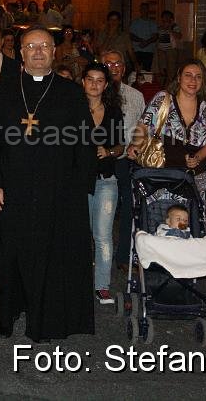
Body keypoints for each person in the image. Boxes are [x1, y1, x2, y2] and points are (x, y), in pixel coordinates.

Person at [0, 25, 96, 342]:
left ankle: (42, 318)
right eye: (31, 46)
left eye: (44, 46)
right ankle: (8, 310)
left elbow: (84, 143)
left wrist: (80, 188)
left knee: (47, 257)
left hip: (55, 191)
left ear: (54, 51)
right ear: (20, 52)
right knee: (7, 257)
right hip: (11, 189)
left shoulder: (70, 92)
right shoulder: (2, 90)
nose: (38, 51)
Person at [128, 60, 206, 199]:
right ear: (178, 77)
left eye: (198, 76)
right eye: (188, 75)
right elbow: (143, 126)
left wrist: (197, 158)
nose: (193, 80)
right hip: (161, 173)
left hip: (195, 176)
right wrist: (136, 145)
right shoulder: (163, 98)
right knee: (158, 216)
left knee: (192, 217)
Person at [100, 50, 146, 274]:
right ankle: (99, 254)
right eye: (108, 63)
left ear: (124, 68)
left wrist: (135, 145)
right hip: (101, 158)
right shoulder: (94, 91)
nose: (114, 67)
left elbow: (141, 127)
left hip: (127, 158)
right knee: (100, 209)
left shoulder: (136, 96)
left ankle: (124, 255)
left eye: (118, 63)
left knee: (129, 207)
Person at [82, 62, 124, 304]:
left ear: (106, 84)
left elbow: (121, 146)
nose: (94, 84)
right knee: (80, 233)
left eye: (100, 80)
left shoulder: (113, 111)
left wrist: (108, 152)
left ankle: (102, 286)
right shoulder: (74, 109)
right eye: (90, 79)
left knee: (103, 235)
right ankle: (79, 281)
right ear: (83, 82)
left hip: (106, 180)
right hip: (79, 181)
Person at [156, 10, 182, 84]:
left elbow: (179, 36)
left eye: (167, 17)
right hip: (161, 50)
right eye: (164, 17)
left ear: (171, 18)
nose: (165, 18)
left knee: (171, 70)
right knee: (162, 70)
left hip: (171, 50)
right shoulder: (160, 27)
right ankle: (163, 86)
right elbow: (157, 37)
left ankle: (171, 86)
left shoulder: (174, 26)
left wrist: (170, 29)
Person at [129, 3, 158, 71]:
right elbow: (131, 35)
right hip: (137, 50)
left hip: (149, 51)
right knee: (135, 70)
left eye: (146, 8)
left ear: (148, 10)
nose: (144, 10)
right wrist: (141, 40)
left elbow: (155, 36)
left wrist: (146, 42)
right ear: (140, 10)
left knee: (147, 70)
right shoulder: (135, 22)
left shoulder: (153, 23)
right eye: (142, 8)